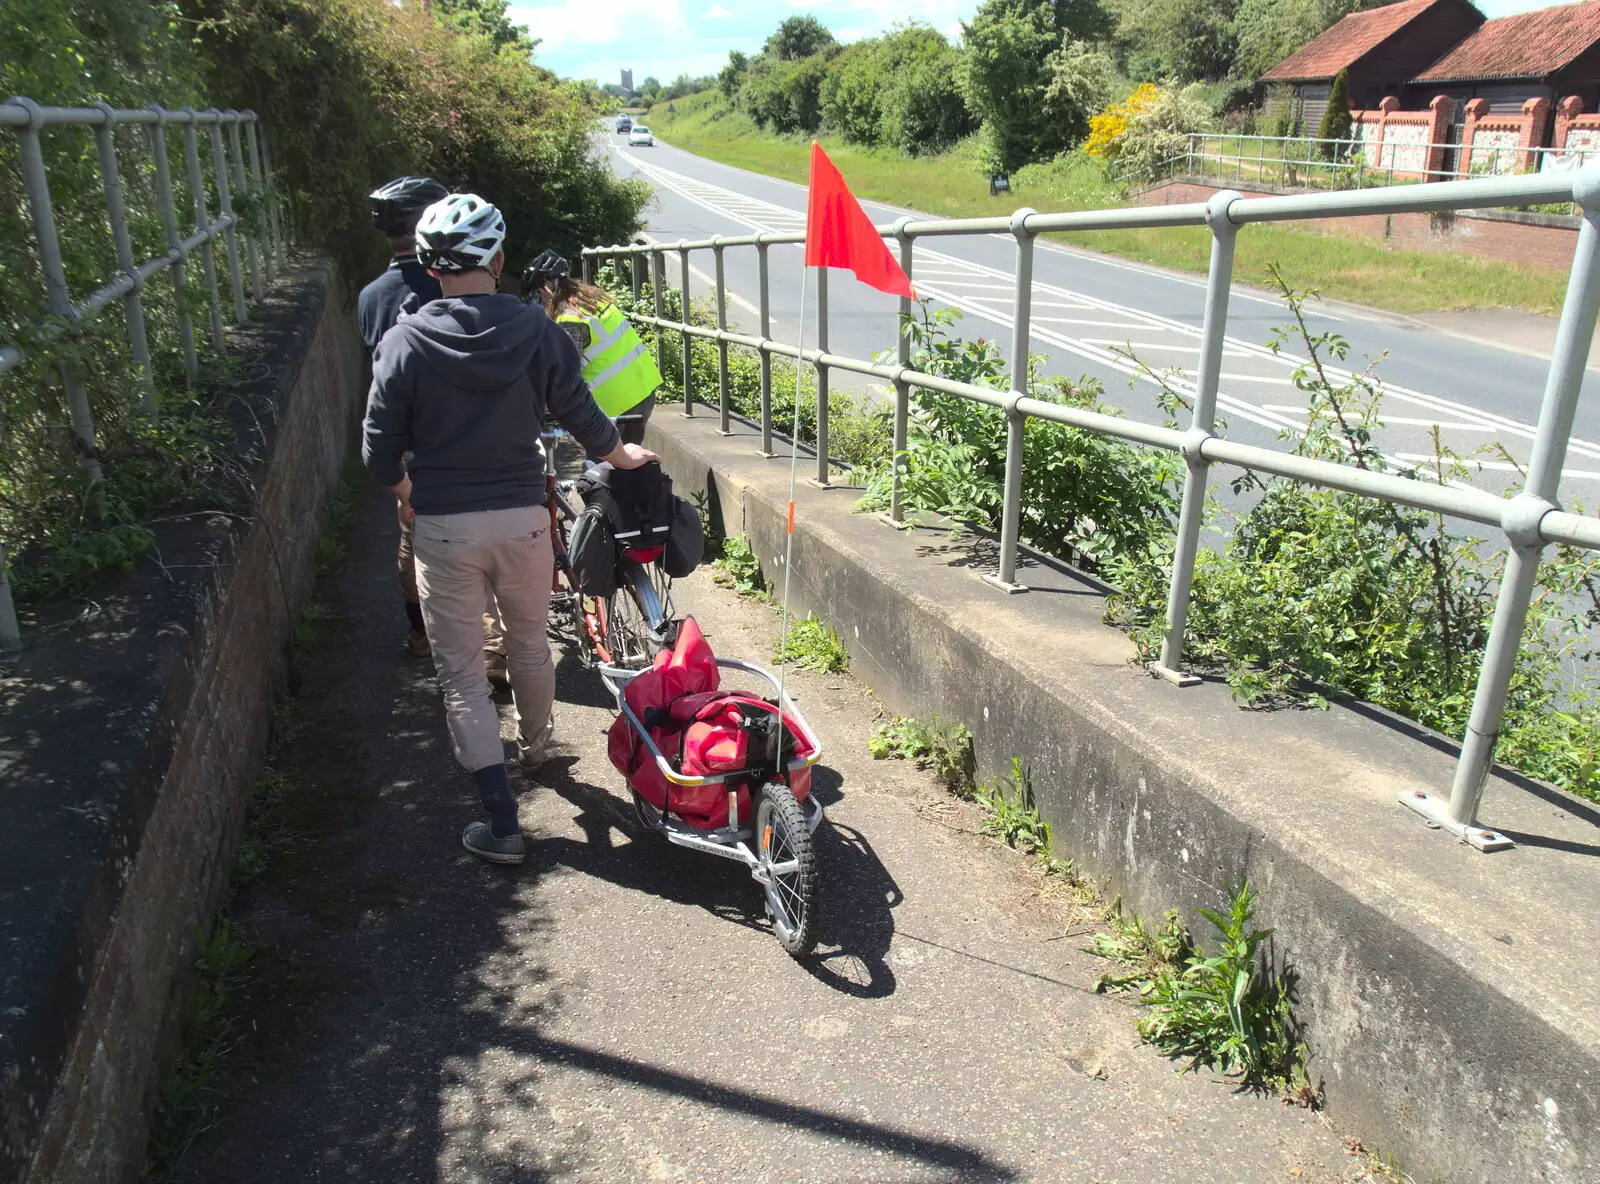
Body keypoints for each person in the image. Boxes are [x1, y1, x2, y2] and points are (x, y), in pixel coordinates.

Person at [362, 193, 657, 866]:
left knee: (463, 672)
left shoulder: (404, 339)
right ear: (497, 259)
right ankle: (540, 746)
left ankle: (501, 826)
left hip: (443, 528)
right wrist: (623, 455)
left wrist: (410, 494)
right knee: (529, 641)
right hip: (524, 517)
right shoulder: (536, 330)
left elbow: (378, 452)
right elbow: (583, 416)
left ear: (430, 268)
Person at [358, 176, 510, 686]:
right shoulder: (451, 284)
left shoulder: (371, 297)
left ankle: (423, 632)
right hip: (478, 440)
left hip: (408, 453)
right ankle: (489, 651)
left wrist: (402, 485)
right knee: (484, 548)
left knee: (417, 543)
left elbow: (379, 385)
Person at [522, 250, 662, 446]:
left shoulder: (569, 318)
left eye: (538, 296)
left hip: (614, 403)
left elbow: (565, 374)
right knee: (630, 466)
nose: (541, 304)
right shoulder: (594, 301)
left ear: (547, 287)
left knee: (600, 472)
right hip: (643, 390)